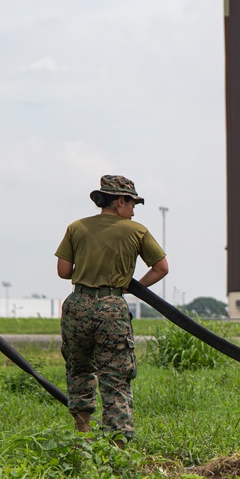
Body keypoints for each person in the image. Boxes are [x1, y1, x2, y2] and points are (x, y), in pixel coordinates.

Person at [55, 175, 169, 445]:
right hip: (111, 307)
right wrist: (134, 287)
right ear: (119, 201)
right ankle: (117, 446)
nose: (133, 211)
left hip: (77, 305)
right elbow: (162, 268)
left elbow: (63, 272)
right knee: (115, 377)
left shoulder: (76, 227)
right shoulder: (136, 231)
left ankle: (83, 437)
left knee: (79, 370)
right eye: (132, 204)